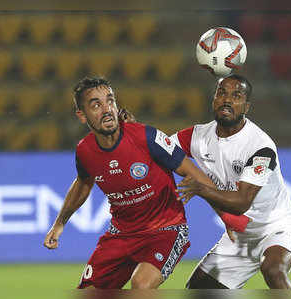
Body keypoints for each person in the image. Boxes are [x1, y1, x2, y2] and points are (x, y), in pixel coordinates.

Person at [43, 76, 216, 289]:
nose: (106, 109)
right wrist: (59, 223)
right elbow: (83, 184)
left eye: (110, 101)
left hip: (165, 230)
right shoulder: (85, 151)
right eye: (96, 105)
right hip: (122, 234)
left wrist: (228, 217)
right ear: (82, 115)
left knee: (141, 285)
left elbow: (193, 173)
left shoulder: (146, 136)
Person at [172, 74, 291, 289]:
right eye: (221, 93)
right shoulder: (197, 136)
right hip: (240, 237)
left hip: (277, 227)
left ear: (246, 107)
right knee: (197, 290)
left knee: (272, 270)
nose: (227, 100)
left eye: (236, 95)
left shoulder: (259, 146)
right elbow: (159, 149)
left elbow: (241, 202)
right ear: (213, 99)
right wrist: (135, 131)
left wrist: (201, 189)